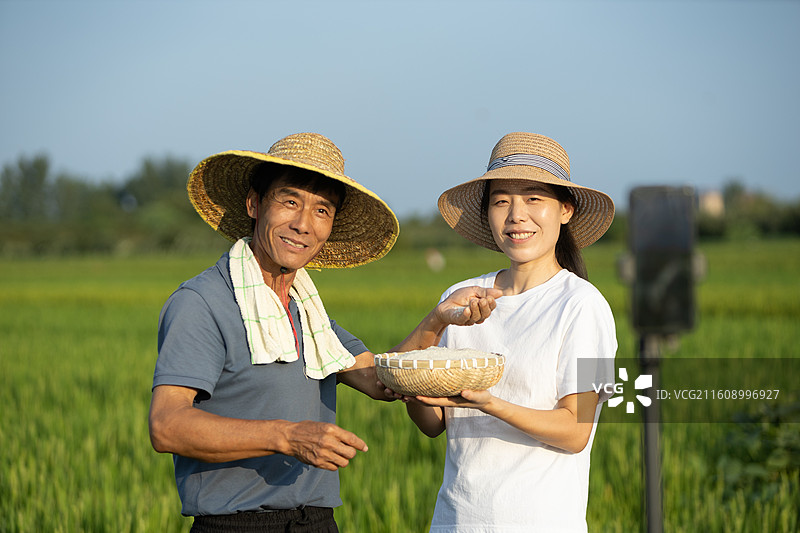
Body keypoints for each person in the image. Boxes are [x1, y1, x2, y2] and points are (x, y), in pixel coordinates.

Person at [148, 132, 500, 532]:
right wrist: (287, 437)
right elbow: (167, 425)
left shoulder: (307, 312)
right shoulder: (203, 302)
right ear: (254, 204)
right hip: (236, 524)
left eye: (321, 210)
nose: (303, 224)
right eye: (290, 202)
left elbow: (380, 379)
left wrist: (437, 319)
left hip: (316, 522)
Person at [397, 132, 618, 532]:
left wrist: (489, 403)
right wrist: (415, 385)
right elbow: (433, 424)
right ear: (487, 213)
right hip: (455, 521)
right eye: (501, 201)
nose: (516, 215)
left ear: (565, 210)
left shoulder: (584, 305)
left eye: (533, 198)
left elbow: (575, 431)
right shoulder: (461, 297)